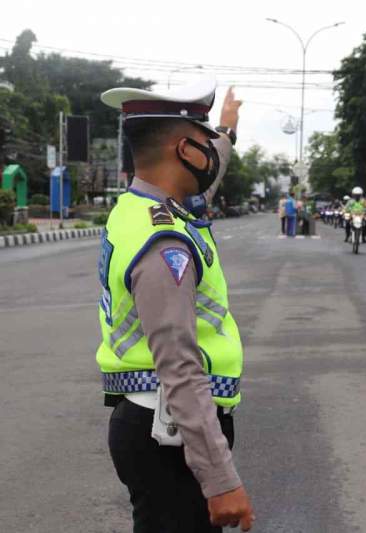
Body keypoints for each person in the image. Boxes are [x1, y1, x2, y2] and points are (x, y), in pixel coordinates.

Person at [97, 78, 254, 532]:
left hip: (152, 423)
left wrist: (227, 130)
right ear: (184, 149)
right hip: (167, 433)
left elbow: (208, 173)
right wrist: (220, 479)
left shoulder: (139, 207)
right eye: (204, 138)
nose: (212, 148)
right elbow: (180, 367)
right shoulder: (164, 242)